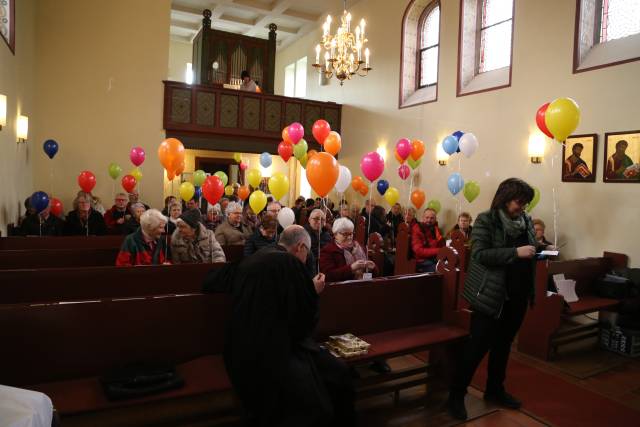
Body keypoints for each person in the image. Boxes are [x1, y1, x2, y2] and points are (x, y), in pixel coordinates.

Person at [202, 225, 354, 426]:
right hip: (275, 350)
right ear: (300, 247)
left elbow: (211, 281)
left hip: (238, 350)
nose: (306, 259)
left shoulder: (255, 257)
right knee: (325, 390)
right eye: (307, 253)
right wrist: (312, 290)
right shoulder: (291, 264)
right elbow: (304, 321)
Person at [447, 178, 555, 420]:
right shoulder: (487, 220)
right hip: (491, 294)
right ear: (505, 197)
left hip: (517, 295)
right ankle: (455, 395)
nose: (523, 207)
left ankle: (495, 389)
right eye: (520, 202)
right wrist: (515, 252)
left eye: (526, 203)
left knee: (503, 345)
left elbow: (528, 248)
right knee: (477, 347)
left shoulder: (525, 220)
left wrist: (542, 249)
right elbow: (480, 254)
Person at [320, 217, 376, 282]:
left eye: (351, 233)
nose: (349, 237)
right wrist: (351, 268)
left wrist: (373, 268)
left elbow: (375, 274)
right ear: (335, 234)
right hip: (342, 289)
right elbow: (328, 276)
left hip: (364, 285)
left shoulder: (359, 247)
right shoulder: (328, 251)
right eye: (345, 234)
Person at [411, 208, 445, 272]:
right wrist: (438, 250)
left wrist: (439, 238)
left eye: (432, 218)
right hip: (421, 261)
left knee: (450, 268)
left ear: (435, 219)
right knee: (441, 271)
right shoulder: (417, 229)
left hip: (434, 258)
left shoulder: (435, 229)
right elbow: (419, 251)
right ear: (423, 218)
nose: (429, 220)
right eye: (427, 217)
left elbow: (442, 246)